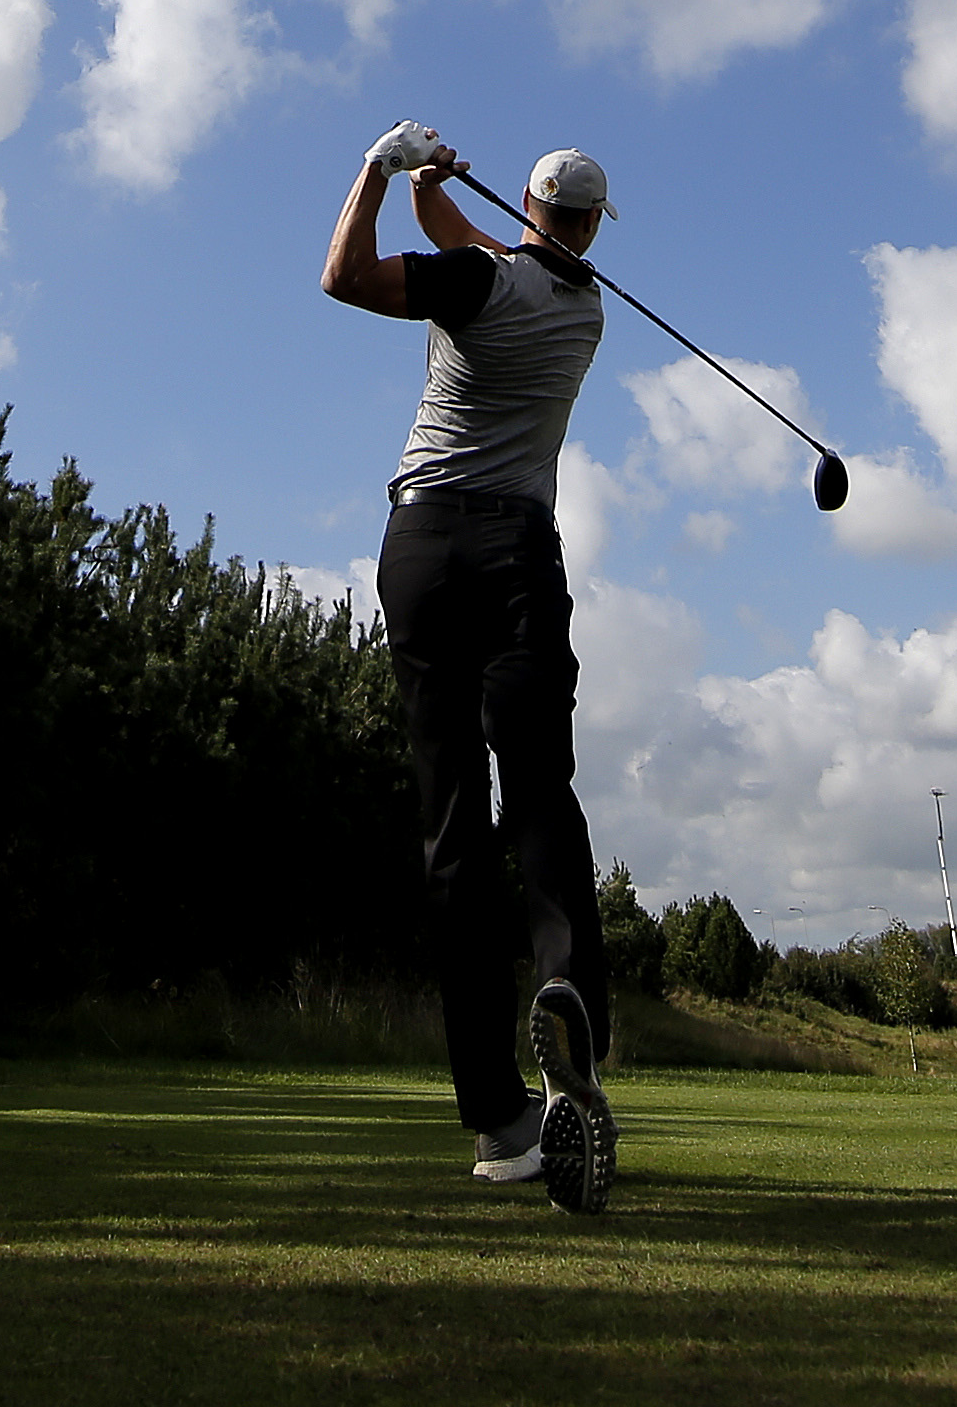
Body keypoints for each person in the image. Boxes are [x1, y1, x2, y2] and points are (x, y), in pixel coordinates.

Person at [325, 120, 618, 1213]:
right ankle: (563, 988)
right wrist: (432, 190)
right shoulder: (581, 311)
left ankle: (500, 1120)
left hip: (421, 548)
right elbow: (483, 254)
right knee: (539, 788)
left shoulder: (477, 285)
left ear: (531, 212)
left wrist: (380, 170)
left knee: (452, 823)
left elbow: (341, 276)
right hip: (515, 553)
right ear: (590, 226)